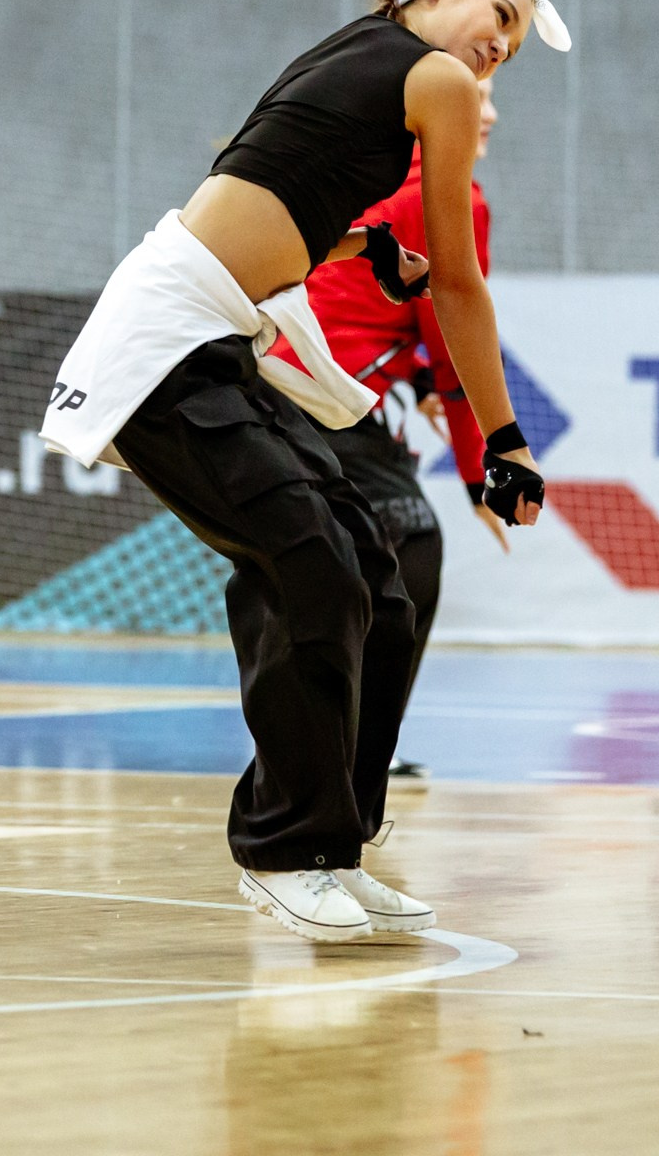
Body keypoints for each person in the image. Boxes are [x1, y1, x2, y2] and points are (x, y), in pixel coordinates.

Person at [40, 0, 565, 944]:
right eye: (501, 15)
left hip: (227, 337)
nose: (505, 43)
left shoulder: (353, 55)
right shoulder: (437, 83)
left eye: (519, 35)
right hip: (169, 341)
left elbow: (262, 186)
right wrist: (505, 439)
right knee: (313, 568)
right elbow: (459, 283)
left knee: (374, 574)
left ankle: (334, 844)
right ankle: (284, 851)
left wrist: (364, 243)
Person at [275, 78, 503, 787]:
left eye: (493, 97)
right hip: (327, 397)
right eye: (476, 93)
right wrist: (478, 474)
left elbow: (376, 307)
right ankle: (353, 751)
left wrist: (415, 381)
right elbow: (458, 345)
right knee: (414, 545)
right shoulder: (455, 199)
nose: (488, 112)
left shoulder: (373, 179)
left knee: (341, 567)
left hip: (284, 383)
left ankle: (323, 745)